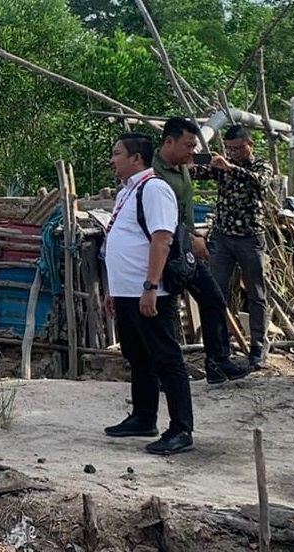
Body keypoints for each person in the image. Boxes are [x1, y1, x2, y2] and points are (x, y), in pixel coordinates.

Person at [103, 133, 194, 455]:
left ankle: (181, 429)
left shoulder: (154, 189)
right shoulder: (126, 192)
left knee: (167, 359)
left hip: (150, 291)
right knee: (137, 356)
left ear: (136, 158)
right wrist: (114, 290)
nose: (112, 160)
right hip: (127, 291)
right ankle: (143, 416)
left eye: (116, 153)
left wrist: (151, 286)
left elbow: (161, 239)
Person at [152, 117, 249, 384]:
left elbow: (183, 209)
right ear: (168, 141)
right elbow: (156, 216)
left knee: (213, 298)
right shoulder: (153, 173)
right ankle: (164, 375)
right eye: (187, 145)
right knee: (166, 312)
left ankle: (217, 363)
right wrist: (189, 237)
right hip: (164, 250)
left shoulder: (181, 165)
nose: (192, 151)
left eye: (194, 146)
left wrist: (195, 236)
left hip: (186, 247)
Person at [192, 126, 273, 369]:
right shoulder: (223, 166)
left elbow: (262, 183)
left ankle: (259, 346)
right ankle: (219, 348)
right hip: (223, 238)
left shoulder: (260, 165)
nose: (233, 153)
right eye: (229, 149)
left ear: (250, 145)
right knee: (216, 292)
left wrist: (231, 168)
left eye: (238, 148)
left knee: (256, 293)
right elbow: (198, 172)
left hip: (250, 237)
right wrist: (188, 161)